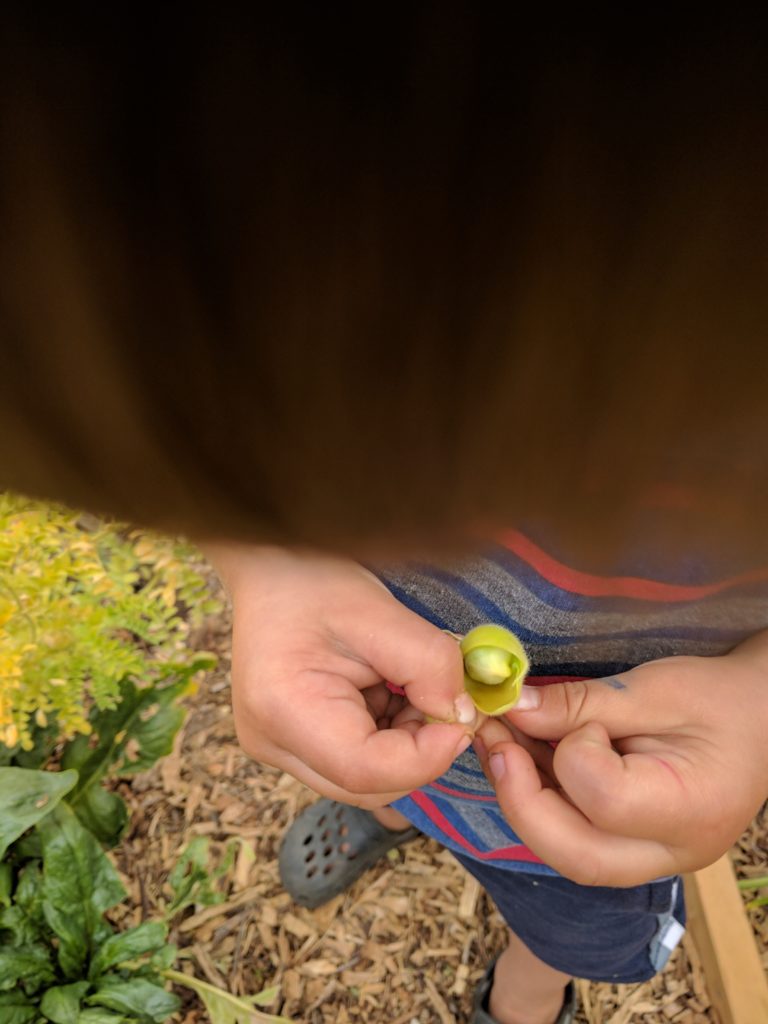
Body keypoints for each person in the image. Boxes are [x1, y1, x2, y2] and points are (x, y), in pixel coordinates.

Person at [2, 13, 768, 1023]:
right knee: (404, 767)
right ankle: (409, 809)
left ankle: (531, 988)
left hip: (605, 806)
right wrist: (270, 564)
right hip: (403, 720)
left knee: (565, 915)